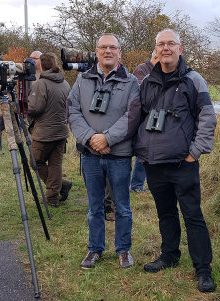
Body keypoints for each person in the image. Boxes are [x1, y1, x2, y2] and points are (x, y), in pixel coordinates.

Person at [134, 29, 217, 293]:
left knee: (192, 215)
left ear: (180, 49)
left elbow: (207, 117)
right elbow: (138, 117)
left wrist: (195, 152)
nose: (166, 48)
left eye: (171, 43)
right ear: (156, 50)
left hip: (183, 163)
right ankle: (169, 255)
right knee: (166, 213)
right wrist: (142, 152)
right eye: (161, 44)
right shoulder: (146, 82)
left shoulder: (194, 80)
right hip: (154, 163)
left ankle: (203, 268)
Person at [68, 33, 140, 269]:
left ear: (120, 52)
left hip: (118, 156)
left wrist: (107, 138)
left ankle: (123, 250)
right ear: (96, 52)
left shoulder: (130, 82)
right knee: (94, 207)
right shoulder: (81, 80)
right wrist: (91, 139)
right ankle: (94, 249)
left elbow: (132, 116)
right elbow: (73, 111)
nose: (108, 51)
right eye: (103, 47)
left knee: (122, 206)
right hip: (90, 155)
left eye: (112, 47)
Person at [28, 52, 72, 208]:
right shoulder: (65, 83)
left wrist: (27, 103)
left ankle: (59, 187)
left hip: (44, 133)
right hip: (61, 131)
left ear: (41, 65)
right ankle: (53, 197)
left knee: (34, 162)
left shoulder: (41, 84)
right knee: (55, 165)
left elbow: (34, 108)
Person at [130, 50, 159, 192]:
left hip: (156, 115)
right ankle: (136, 185)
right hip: (142, 115)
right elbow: (141, 90)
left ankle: (141, 183)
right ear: (155, 57)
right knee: (143, 150)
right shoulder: (141, 69)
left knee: (150, 150)